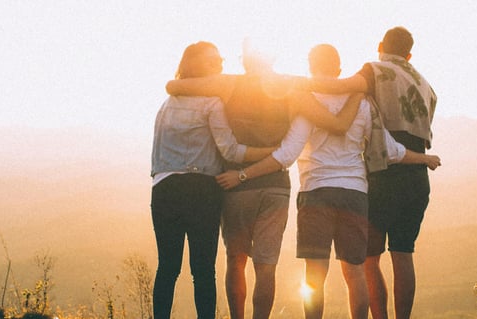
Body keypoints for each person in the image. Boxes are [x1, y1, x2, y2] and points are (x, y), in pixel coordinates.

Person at [216, 44, 440, 319]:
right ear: (339, 68)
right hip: (355, 193)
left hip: (316, 193)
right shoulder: (363, 102)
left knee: (314, 274)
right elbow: (389, 149)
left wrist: (243, 174)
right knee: (355, 271)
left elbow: (287, 155)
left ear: (311, 67)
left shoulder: (308, 101)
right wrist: (423, 159)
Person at [166, 40, 362, 319]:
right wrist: (360, 85)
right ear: (272, 58)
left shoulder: (228, 84)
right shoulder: (292, 87)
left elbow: (174, 87)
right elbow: (337, 121)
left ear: (245, 59)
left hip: (235, 186)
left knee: (236, 260)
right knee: (266, 266)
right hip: (275, 187)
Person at [305, 27, 438, 319]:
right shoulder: (425, 84)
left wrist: (292, 85)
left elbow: (341, 88)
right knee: (404, 254)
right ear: (409, 53)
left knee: (368, 259)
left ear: (381, 46)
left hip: (383, 174)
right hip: (417, 175)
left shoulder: (374, 71)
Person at [150, 41, 274, 319]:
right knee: (203, 269)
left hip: (164, 189)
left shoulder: (166, 104)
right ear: (195, 65)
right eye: (213, 61)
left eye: (220, 60)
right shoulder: (212, 103)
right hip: (201, 190)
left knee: (167, 267)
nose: (219, 65)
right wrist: (271, 152)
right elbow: (230, 150)